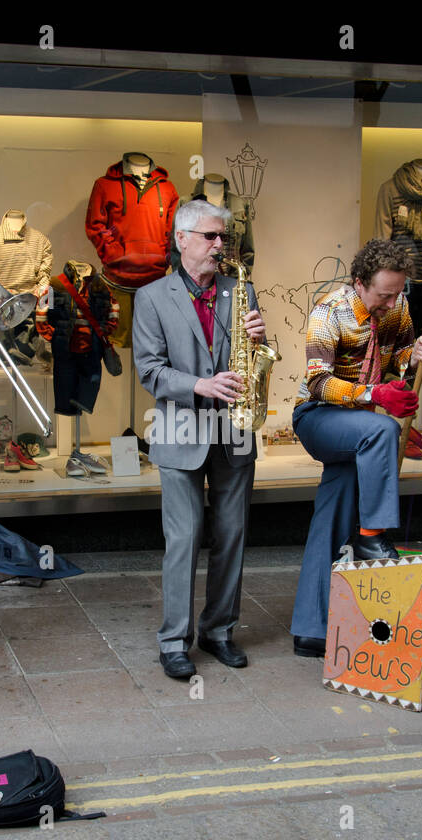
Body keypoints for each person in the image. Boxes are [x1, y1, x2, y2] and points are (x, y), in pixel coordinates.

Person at [133, 199, 266, 679]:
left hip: (234, 430)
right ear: (181, 239)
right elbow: (149, 370)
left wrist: (258, 337)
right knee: (184, 539)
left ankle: (219, 631)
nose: (218, 246)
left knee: (232, 536)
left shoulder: (241, 290)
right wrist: (199, 385)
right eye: (210, 237)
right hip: (180, 428)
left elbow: (259, 357)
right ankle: (174, 641)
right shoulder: (151, 297)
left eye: (222, 238)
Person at [288, 239, 422, 659]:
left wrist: (420, 356)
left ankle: (311, 629)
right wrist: (376, 393)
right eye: (383, 295)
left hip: (358, 425)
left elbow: (404, 363)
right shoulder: (328, 311)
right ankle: (374, 534)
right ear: (359, 283)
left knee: (331, 514)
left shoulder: (398, 308)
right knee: (382, 430)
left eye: (397, 294)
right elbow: (318, 383)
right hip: (317, 417)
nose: (391, 303)